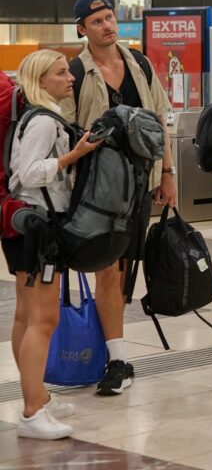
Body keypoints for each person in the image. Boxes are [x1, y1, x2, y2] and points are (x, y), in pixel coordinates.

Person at [62, 0, 175, 396]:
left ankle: (115, 353)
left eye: (110, 18)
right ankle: (115, 358)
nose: (107, 26)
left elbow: (161, 120)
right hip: (98, 190)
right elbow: (65, 132)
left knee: (124, 271)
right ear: (82, 29)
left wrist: (168, 173)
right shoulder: (75, 71)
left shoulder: (139, 64)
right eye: (97, 22)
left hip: (140, 186)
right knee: (105, 267)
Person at [5, 51, 102, 439]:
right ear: (41, 81)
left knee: (27, 317)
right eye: (61, 73)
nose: (71, 78)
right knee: (43, 319)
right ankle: (32, 412)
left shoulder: (37, 116)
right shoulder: (44, 121)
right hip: (38, 227)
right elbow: (25, 174)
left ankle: (38, 396)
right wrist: (72, 157)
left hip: (24, 226)